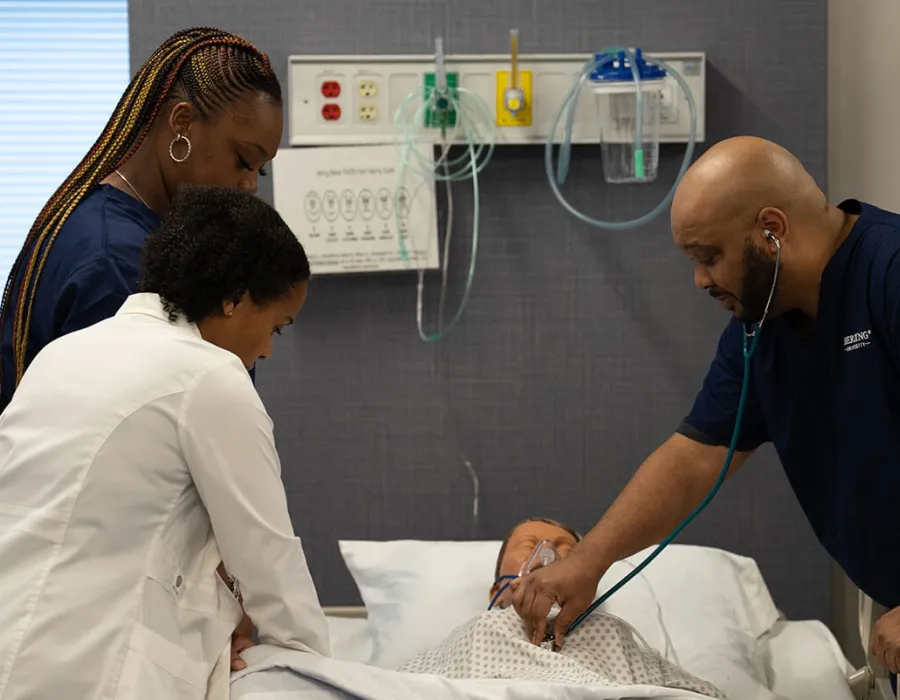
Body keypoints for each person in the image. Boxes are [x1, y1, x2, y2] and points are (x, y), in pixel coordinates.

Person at [509, 134, 900, 674]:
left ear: (772, 229)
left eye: (710, 257)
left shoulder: (888, 273)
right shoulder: (763, 329)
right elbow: (695, 458)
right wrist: (589, 562)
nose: (699, 280)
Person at [0, 184, 329, 700]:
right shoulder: (210, 377)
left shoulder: (61, 356)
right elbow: (269, 559)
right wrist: (318, 671)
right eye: (277, 327)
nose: (267, 350)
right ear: (235, 298)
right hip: (95, 671)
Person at [0, 25, 282, 412]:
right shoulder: (118, 262)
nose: (250, 185)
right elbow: (150, 427)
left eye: (260, 169)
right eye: (244, 160)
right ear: (182, 123)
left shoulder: (109, 222)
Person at [399, 516, 724, 697]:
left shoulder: (612, 634)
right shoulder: (475, 633)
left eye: (565, 547)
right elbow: (397, 688)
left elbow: (698, 695)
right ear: (496, 590)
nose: (546, 553)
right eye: (529, 545)